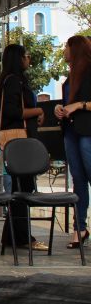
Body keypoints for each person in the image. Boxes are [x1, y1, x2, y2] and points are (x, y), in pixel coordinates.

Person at [0, 44, 48, 251]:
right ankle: (23, 237)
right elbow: (12, 111)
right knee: (22, 189)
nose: (29, 59)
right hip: (19, 141)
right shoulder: (13, 81)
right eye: (26, 56)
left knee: (21, 189)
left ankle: (12, 236)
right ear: (18, 58)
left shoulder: (12, 80)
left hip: (20, 140)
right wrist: (37, 111)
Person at [55, 36, 91, 249]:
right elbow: (68, 102)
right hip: (70, 131)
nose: (64, 50)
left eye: (66, 46)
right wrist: (59, 108)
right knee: (78, 179)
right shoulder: (70, 76)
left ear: (74, 49)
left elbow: (79, 103)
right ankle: (80, 228)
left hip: (87, 131)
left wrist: (79, 105)